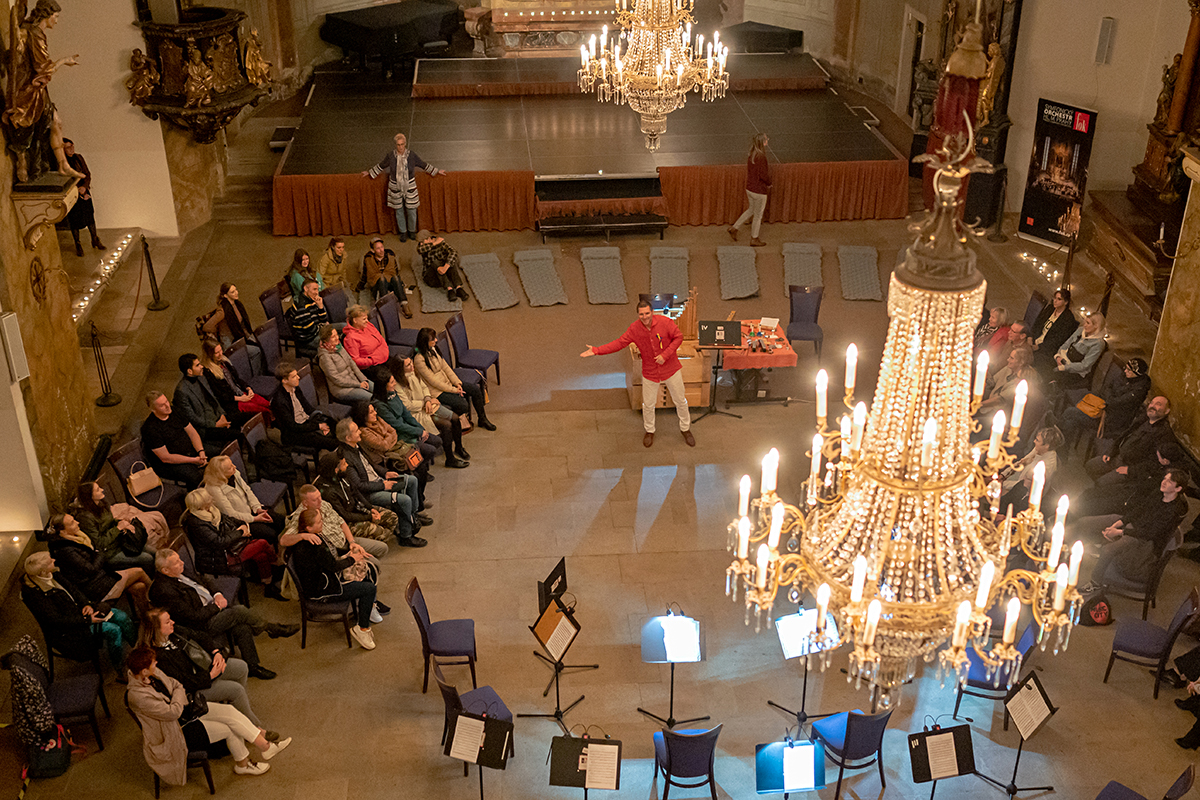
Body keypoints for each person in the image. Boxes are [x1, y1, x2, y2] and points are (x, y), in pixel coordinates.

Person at [125, 648, 289, 782]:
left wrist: (177, 696)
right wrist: (178, 697)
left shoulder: (152, 673)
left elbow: (177, 685)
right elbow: (172, 712)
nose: (157, 663)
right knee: (228, 728)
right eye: (154, 663)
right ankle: (244, 764)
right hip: (177, 730)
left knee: (230, 712)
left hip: (187, 711)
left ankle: (265, 747)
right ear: (144, 670)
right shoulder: (138, 696)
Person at [148, 548, 297, 680]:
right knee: (239, 611)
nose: (182, 563)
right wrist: (217, 607)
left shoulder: (178, 572)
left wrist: (217, 594)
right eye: (176, 562)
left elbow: (203, 581)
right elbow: (193, 617)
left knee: (242, 627)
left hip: (210, 607)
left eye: (180, 559)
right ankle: (271, 628)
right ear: (165, 571)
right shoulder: (165, 591)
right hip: (201, 624)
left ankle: (253, 667)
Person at [581, 300, 693, 448]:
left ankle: (685, 429)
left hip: (671, 369)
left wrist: (665, 355)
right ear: (638, 314)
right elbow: (619, 343)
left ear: (652, 312)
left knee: (680, 401)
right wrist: (596, 350)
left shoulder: (665, 322)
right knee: (648, 404)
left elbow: (678, 337)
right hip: (650, 372)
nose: (645, 317)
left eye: (647, 313)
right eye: (641, 314)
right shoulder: (634, 329)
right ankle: (649, 431)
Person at [140, 607, 270, 730]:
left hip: (203, 668)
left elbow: (201, 636)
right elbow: (182, 682)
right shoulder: (157, 658)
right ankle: (255, 728)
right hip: (193, 689)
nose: (173, 622)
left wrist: (216, 652)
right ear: (156, 629)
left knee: (241, 667)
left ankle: (239, 711)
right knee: (236, 690)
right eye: (168, 622)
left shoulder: (175, 632)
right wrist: (211, 676)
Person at [4, 0, 85, 184]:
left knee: (56, 121)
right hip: (29, 87)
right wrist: (65, 60)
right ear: (46, 15)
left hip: (38, 88)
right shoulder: (35, 34)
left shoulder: (33, 31)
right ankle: (22, 160)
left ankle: (63, 165)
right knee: (27, 126)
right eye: (55, 17)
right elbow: (43, 69)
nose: (56, 21)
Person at [21, 551, 136, 677]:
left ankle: (137, 650)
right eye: (50, 561)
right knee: (114, 630)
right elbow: (56, 620)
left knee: (122, 617)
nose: (54, 560)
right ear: (42, 572)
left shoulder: (54, 574)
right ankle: (120, 668)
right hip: (71, 630)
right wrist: (87, 621)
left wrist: (86, 604)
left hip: (82, 613)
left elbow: (75, 591)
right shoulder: (34, 595)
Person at [1078, 468, 1189, 594]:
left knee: (1108, 550)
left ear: (1178, 489)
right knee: (1085, 522)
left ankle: (1095, 582)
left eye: (1169, 482)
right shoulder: (1159, 493)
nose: (1164, 482)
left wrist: (1120, 532)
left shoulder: (1172, 511)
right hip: (1136, 527)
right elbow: (1138, 510)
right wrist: (1118, 524)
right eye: (1165, 478)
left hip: (1145, 541)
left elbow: (1149, 533)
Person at [287, 509, 378, 650]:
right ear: (308, 528)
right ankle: (362, 629)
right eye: (319, 522)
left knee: (368, 574)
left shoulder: (313, 536)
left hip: (327, 579)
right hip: (322, 591)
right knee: (369, 588)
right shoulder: (312, 545)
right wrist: (352, 559)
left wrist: (349, 551)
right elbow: (333, 566)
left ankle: (367, 610)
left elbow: (331, 553)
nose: (322, 523)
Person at [336, 418, 428, 547]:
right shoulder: (346, 458)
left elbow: (371, 464)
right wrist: (383, 485)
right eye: (356, 431)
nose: (360, 432)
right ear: (348, 437)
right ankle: (406, 536)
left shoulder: (357, 446)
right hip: (370, 493)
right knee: (405, 500)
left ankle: (413, 517)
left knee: (412, 480)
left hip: (379, 481)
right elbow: (358, 486)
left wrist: (385, 473)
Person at [46, 512, 152, 618]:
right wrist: (100, 553)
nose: (77, 523)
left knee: (139, 587)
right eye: (72, 523)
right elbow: (91, 569)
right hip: (95, 588)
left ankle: (147, 616)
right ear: (63, 531)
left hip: (100, 578)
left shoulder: (77, 538)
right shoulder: (66, 551)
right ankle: (157, 599)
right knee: (139, 571)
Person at [181, 488, 279, 593]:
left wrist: (243, 525)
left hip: (230, 546)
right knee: (262, 543)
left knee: (261, 555)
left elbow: (230, 519)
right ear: (202, 504)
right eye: (208, 499)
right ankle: (277, 562)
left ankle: (268, 583)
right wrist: (241, 532)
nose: (211, 499)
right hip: (218, 558)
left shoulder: (212, 510)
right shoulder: (196, 524)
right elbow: (219, 542)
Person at [360, 132, 446, 243]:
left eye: (402, 144)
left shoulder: (411, 155)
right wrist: (369, 172)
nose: (400, 147)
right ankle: (403, 232)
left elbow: (422, 164)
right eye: (398, 145)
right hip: (395, 187)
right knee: (399, 211)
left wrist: (437, 171)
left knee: (412, 211)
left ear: (405, 144)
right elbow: (381, 165)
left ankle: (411, 231)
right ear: (395, 145)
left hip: (410, 186)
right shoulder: (391, 156)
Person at [279, 484, 392, 565]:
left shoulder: (323, 504)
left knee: (383, 548)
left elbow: (341, 522)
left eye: (320, 496)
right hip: (336, 552)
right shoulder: (301, 516)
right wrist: (303, 536)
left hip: (346, 541)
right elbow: (283, 540)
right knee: (375, 563)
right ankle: (362, 571)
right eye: (315, 500)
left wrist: (352, 542)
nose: (320, 501)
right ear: (305, 503)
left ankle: (363, 570)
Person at [1058, 357, 1151, 449]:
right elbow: (1108, 387)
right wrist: (1109, 399)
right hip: (1103, 407)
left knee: (1070, 413)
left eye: (1129, 370)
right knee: (1070, 421)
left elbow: (1119, 403)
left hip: (1112, 420)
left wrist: (1109, 400)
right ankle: (1060, 446)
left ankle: (1058, 442)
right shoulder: (1125, 376)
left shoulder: (1139, 390)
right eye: (1125, 368)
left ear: (1137, 374)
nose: (1125, 371)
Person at [414, 327, 495, 431]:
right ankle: (456, 423)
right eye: (433, 339)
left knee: (475, 390)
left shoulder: (433, 349)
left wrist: (457, 383)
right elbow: (433, 381)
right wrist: (454, 390)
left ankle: (482, 419)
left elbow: (445, 367)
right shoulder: (419, 359)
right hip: (437, 392)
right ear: (425, 342)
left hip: (447, 384)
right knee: (463, 405)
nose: (436, 340)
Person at [393, 356, 467, 469]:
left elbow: (424, 387)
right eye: (408, 365)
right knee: (446, 425)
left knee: (455, 418)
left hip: (428, 405)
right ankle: (450, 458)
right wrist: (424, 403)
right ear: (400, 369)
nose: (412, 366)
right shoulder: (398, 385)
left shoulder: (414, 373)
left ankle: (459, 447)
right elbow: (407, 405)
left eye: (411, 363)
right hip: (417, 413)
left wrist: (428, 399)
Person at [1085, 395, 1174, 484]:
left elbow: (1155, 463)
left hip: (1130, 468)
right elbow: (1123, 435)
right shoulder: (1143, 420)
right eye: (1151, 403)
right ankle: (1100, 490)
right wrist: (1110, 452)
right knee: (1090, 466)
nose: (1153, 406)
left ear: (1167, 411)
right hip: (1118, 457)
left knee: (1102, 483)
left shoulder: (1164, 433)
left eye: (1158, 404)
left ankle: (1103, 490)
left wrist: (1130, 470)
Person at [315, 451, 399, 545]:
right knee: (382, 532)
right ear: (336, 469)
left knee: (392, 517)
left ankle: (375, 542)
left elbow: (356, 493)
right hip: (347, 523)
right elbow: (344, 515)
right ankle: (368, 547)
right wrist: (369, 517)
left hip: (357, 509)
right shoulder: (328, 492)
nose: (347, 465)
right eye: (344, 464)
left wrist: (370, 508)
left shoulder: (342, 476)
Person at [73, 481, 159, 571]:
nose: (102, 490)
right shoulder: (85, 518)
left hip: (120, 542)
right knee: (147, 559)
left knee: (155, 553)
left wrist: (123, 523)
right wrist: (118, 528)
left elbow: (109, 522)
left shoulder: (101, 504)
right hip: (109, 553)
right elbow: (99, 543)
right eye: (98, 490)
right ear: (90, 496)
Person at [201, 456, 285, 548]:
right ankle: (273, 554)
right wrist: (255, 519)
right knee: (270, 533)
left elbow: (248, 491)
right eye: (230, 468)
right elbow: (231, 514)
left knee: (280, 521)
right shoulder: (214, 489)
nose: (235, 467)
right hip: (240, 522)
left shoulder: (235, 474)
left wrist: (257, 508)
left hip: (251, 511)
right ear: (220, 474)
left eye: (232, 464)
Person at [174, 353, 242, 452]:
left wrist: (222, 414)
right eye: (197, 365)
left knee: (243, 417)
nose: (201, 366)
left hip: (217, 416)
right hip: (205, 427)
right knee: (238, 434)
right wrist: (215, 424)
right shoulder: (181, 391)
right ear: (189, 371)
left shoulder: (201, 377)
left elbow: (213, 399)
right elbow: (192, 417)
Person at [269, 362, 340, 453]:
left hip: (305, 421)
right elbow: (293, 427)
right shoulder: (279, 401)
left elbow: (307, 407)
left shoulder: (295, 388)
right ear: (285, 380)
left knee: (333, 423)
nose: (298, 377)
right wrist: (318, 426)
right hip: (294, 434)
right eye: (294, 376)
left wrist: (320, 419)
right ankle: (340, 457)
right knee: (330, 442)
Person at [141, 391, 208, 487]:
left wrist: (201, 451)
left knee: (218, 456)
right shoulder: (150, 429)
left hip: (189, 451)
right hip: (171, 464)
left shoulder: (174, 411)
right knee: (195, 477)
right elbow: (166, 457)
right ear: (153, 410)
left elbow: (192, 432)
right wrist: (193, 460)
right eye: (162, 406)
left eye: (166, 401)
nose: (167, 406)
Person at [199, 338, 272, 421]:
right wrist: (241, 398)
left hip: (240, 392)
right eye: (217, 353)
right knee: (263, 410)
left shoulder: (224, 361)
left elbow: (237, 379)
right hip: (232, 402)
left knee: (267, 404)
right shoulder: (208, 372)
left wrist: (248, 388)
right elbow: (220, 396)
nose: (221, 354)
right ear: (209, 354)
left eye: (220, 350)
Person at [1000, 426, 1063, 513]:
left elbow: (1025, 487)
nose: (1034, 441)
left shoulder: (1048, 466)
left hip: (1024, 496)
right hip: (1018, 480)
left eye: (1037, 440)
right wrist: (1003, 475)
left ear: (1047, 446)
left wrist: (1003, 483)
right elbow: (1021, 462)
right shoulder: (1039, 449)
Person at [62, 138, 104, 255]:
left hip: (84, 191)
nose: (71, 149)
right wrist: (76, 190)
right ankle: (78, 243)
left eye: (72, 146)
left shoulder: (78, 158)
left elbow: (87, 174)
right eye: (68, 148)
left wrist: (85, 187)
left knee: (89, 216)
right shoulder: (62, 162)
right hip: (72, 194)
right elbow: (64, 179)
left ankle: (95, 239)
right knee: (74, 219)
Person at [727, 133, 771, 247]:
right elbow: (763, 175)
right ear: (762, 142)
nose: (768, 140)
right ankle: (754, 239)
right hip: (759, 190)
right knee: (758, 215)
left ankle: (734, 228)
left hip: (750, 188)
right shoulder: (761, 157)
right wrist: (769, 183)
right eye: (766, 139)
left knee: (751, 210)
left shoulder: (752, 154)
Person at [1048, 311, 1106, 389]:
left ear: (1096, 326)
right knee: (1044, 363)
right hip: (1064, 359)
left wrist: (1065, 367)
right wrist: (1058, 356)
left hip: (1075, 371)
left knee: (1052, 375)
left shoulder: (1098, 344)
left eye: (1088, 323)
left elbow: (1084, 365)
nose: (1084, 325)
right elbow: (1066, 344)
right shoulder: (1080, 330)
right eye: (1085, 322)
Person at [317, 325, 373, 403]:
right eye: (333, 337)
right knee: (371, 398)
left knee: (379, 389)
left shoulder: (338, 346)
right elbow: (336, 379)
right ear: (326, 341)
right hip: (342, 389)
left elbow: (352, 363)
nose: (337, 338)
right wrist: (358, 385)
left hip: (354, 380)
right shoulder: (324, 357)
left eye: (336, 334)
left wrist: (363, 379)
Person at [341, 304, 393, 385]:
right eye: (364, 319)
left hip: (382, 357)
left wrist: (384, 352)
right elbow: (355, 360)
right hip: (369, 367)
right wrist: (372, 360)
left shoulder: (368, 325)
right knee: (387, 377)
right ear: (355, 320)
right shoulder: (351, 338)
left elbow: (381, 339)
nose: (367, 321)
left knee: (399, 365)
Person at [359, 237, 412, 316]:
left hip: (390, 281)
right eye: (378, 249)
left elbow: (395, 271)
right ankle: (386, 305)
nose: (381, 250)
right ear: (373, 251)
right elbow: (366, 274)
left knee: (396, 278)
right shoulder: (368, 259)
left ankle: (404, 304)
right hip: (377, 284)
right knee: (381, 279)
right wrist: (360, 286)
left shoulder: (390, 256)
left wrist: (400, 284)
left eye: (382, 247)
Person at [1030, 288, 1079, 373]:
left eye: (1059, 299)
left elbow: (1058, 340)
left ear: (1066, 302)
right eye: (1055, 298)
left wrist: (1039, 346)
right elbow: (1037, 323)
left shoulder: (1067, 319)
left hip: (1047, 348)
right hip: (1036, 340)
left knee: (1024, 355)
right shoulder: (1050, 309)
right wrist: (1031, 338)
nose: (1055, 301)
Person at [415, 230, 468, 303]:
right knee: (435, 263)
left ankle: (458, 287)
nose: (420, 243)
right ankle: (449, 289)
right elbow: (420, 250)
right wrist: (435, 243)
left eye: (422, 241)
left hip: (444, 272)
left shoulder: (441, 244)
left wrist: (446, 266)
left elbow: (453, 252)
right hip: (431, 277)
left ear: (429, 238)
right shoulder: (422, 247)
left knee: (450, 261)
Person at [284, 279, 329, 359]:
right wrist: (324, 327)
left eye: (317, 289)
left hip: (317, 331)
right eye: (314, 289)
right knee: (335, 342)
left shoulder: (312, 299)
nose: (317, 292)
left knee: (344, 327)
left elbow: (324, 319)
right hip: (308, 339)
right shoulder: (301, 307)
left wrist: (321, 307)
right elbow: (311, 330)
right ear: (305, 289)